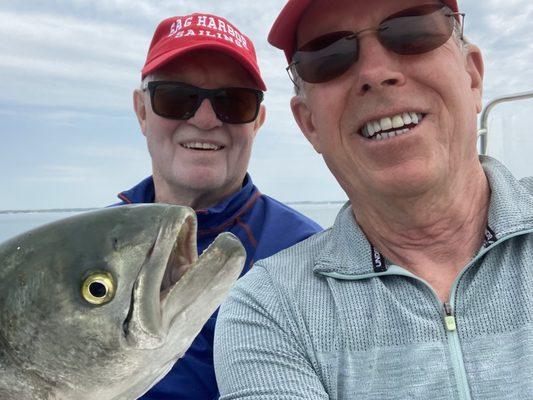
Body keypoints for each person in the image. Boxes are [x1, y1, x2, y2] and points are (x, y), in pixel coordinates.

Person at [214, 0, 533, 399]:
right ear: (309, 123)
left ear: (472, 78)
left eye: (411, 32)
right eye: (329, 56)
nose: (376, 74)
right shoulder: (268, 309)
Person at [115, 12, 322, 399]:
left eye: (234, 102)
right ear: (142, 111)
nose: (206, 119)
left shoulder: (310, 256)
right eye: (176, 99)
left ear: (257, 121)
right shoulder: (91, 247)